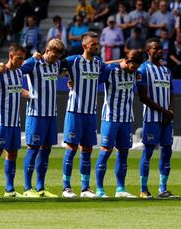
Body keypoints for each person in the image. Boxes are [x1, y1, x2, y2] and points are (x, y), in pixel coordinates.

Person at [61, 31, 105, 198]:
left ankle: (85, 188)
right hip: (75, 111)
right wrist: (39, 55)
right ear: (85, 45)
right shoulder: (73, 61)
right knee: (72, 148)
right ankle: (66, 187)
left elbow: (109, 65)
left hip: (90, 113)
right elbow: (52, 64)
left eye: (97, 43)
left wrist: (124, 60)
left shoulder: (98, 63)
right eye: (93, 44)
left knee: (87, 149)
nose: (96, 46)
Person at [94, 50, 143, 198]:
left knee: (123, 153)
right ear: (127, 62)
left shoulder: (135, 72)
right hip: (110, 118)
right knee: (106, 151)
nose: (135, 69)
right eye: (133, 65)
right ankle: (100, 189)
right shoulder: (110, 71)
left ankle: (120, 189)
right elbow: (97, 65)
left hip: (127, 119)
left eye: (137, 66)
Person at [20, 39, 64, 198]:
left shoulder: (58, 64)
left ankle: (41, 187)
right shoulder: (33, 63)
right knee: (33, 149)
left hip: (51, 115)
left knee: (46, 150)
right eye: (53, 55)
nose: (55, 59)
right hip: (36, 114)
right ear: (47, 49)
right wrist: (23, 91)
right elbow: (12, 71)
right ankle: (27, 188)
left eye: (58, 57)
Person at [137, 38, 179, 199]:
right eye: (155, 48)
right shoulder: (143, 70)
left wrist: (170, 112)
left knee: (167, 151)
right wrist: (164, 111)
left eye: (161, 48)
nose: (159, 51)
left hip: (167, 119)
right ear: (148, 51)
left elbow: (171, 93)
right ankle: (143, 189)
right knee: (148, 152)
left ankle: (163, 189)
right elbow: (143, 97)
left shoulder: (166, 70)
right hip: (151, 118)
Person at [0, 44, 27, 198]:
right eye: (19, 58)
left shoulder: (19, 73)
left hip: (15, 122)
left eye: (23, 58)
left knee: (12, 153)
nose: (21, 61)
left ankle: (9, 189)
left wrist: (31, 95)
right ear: (11, 56)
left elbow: (18, 90)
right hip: (0, 121)